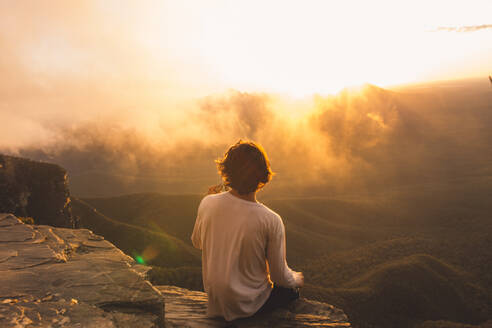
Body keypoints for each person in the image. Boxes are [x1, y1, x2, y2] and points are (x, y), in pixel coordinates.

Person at [191, 140, 304, 322]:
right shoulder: (271, 219)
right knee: (290, 290)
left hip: (217, 302)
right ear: (262, 176)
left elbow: (197, 243)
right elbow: (279, 277)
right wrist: (297, 278)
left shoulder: (208, 202)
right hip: (249, 306)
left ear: (227, 172)